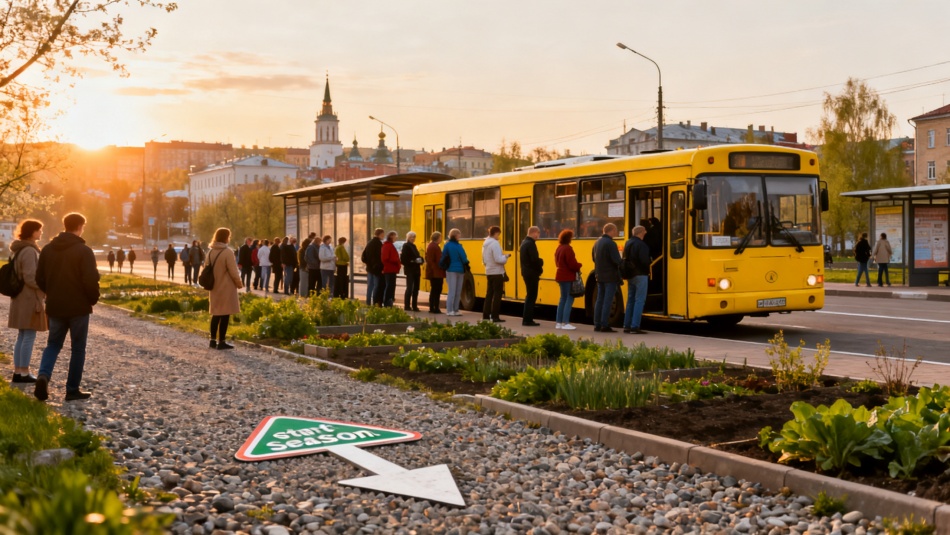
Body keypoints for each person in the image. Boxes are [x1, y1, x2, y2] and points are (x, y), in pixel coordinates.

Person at [34, 212, 100, 402]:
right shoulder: (84, 251)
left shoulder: (48, 249)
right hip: (78, 307)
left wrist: (51, 292)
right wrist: (92, 299)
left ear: (65, 225)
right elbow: (90, 279)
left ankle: (43, 375)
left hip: (55, 305)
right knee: (78, 348)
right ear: (79, 226)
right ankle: (72, 390)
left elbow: (40, 278)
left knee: (53, 344)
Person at [8, 219, 46, 383]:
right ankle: (24, 372)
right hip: (29, 297)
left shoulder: (19, 250)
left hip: (20, 296)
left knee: (22, 335)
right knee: (29, 335)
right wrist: (45, 287)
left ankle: (18, 371)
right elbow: (30, 276)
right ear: (32, 232)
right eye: (39, 230)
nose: (41, 232)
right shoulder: (29, 251)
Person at [206, 227, 243, 350]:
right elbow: (233, 271)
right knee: (225, 314)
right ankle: (221, 341)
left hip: (214, 287)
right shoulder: (228, 252)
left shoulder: (210, 252)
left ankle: (212, 340)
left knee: (216, 314)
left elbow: (206, 268)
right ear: (225, 237)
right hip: (226, 287)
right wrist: (239, 284)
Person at [592, 223, 622, 333]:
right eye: (616, 230)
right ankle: (605, 324)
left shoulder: (597, 242)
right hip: (610, 276)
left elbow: (593, 258)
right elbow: (617, 260)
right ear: (612, 230)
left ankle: (597, 324)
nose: (617, 232)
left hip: (599, 275)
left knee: (599, 299)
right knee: (608, 300)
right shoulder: (611, 243)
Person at [622, 225, 650, 335]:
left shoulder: (628, 243)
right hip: (640, 274)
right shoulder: (642, 245)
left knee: (631, 300)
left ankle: (626, 325)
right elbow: (644, 261)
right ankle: (635, 326)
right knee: (639, 300)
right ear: (641, 232)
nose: (646, 233)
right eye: (645, 231)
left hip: (630, 275)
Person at [554, 229, 581, 330]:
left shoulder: (559, 248)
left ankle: (558, 323)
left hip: (560, 275)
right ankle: (566, 322)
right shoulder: (568, 249)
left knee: (562, 299)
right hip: (567, 276)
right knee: (569, 298)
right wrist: (579, 265)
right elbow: (572, 264)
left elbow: (557, 262)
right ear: (568, 238)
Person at [481, 226, 509, 323]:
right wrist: (505, 257)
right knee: (497, 295)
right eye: (499, 234)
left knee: (489, 294)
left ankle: (485, 315)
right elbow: (498, 259)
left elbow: (484, 260)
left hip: (489, 271)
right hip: (497, 272)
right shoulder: (495, 244)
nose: (499, 236)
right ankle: (495, 316)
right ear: (496, 233)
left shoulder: (485, 244)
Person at [519, 226, 543, 326]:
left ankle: (527, 319)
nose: (538, 236)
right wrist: (541, 263)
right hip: (532, 273)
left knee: (529, 295)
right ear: (533, 233)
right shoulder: (531, 244)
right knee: (531, 296)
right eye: (538, 233)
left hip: (526, 272)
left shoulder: (524, 243)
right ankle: (528, 320)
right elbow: (534, 260)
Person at [442, 228, 468, 316]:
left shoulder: (447, 245)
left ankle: (449, 310)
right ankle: (455, 309)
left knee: (451, 291)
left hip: (450, 270)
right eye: (459, 234)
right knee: (458, 291)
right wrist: (467, 264)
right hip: (460, 269)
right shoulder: (458, 246)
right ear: (456, 235)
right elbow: (464, 256)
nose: (460, 236)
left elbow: (443, 256)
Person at [400, 231, 424, 311]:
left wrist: (421, 260)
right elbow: (403, 259)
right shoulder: (406, 246)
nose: (413, 239)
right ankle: (407, 305)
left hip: (416, 270)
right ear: (408, 238)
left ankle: (414, 305)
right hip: (410, 270)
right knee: (409, 288)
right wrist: (413, 261)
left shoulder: (414, 246)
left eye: (414, 237)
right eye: (411, 237)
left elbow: (418, 256)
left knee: (416, 288)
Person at [362, 228, 385, 305]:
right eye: (383, 234)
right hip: (376, 269)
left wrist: (368, 263)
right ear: (380, 234)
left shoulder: (369, 243)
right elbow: (380, 257)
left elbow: (363, 256)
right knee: (376, 286)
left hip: (369, 268)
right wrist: (379, 266)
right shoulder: (379, 244)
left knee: (370, 286)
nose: (383, 236)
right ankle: (375, 302)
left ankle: (368, 302)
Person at [424, 232, 445, 314]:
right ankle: (435, 307)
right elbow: (438, 260)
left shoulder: (430, 246)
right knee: (437, 290)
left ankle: (432, 307)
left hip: (433, 271)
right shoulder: (435, 247)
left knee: (434, 290)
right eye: (440, 237)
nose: (441, 239)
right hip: (436, 272)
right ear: (438, 238)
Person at [381, 231, 401, 307]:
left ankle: (389, 301)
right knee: (390, 286)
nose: (396, 238)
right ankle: (387, 302)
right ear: (391, 236)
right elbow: (385, 258)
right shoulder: (388, 245)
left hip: (391, 268)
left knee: (391, 285)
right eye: (395, 236)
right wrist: (396, 260)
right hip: (390, 269)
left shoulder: (388, 245)